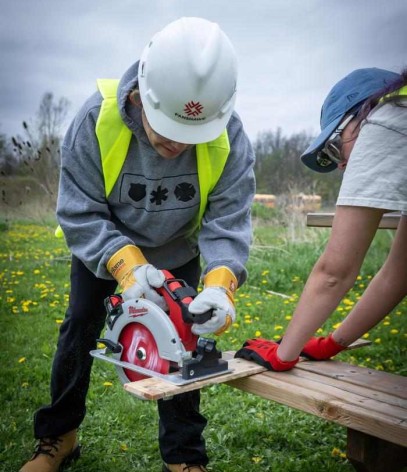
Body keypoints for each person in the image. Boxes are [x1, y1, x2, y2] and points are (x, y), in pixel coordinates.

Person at [20, 17, 255, 472]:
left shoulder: (231, 134)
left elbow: (227, 219)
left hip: (178, 250)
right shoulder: (95, 120)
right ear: (140, 95)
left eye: (190, 136)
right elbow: (79, 210)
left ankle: (184, 458)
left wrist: (221, 284)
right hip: (106, 250)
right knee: (80, 329)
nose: (176, 145)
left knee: (188, 345)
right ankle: (59, 437)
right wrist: (127, 268)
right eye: (166, 130)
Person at [236, 67, 406, 371]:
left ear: (357, 118)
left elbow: (334, 273)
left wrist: (283, 354)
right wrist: (331, 343)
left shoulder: (382, 120)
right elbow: (399, 274)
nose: (341, 163)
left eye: (333, 147)